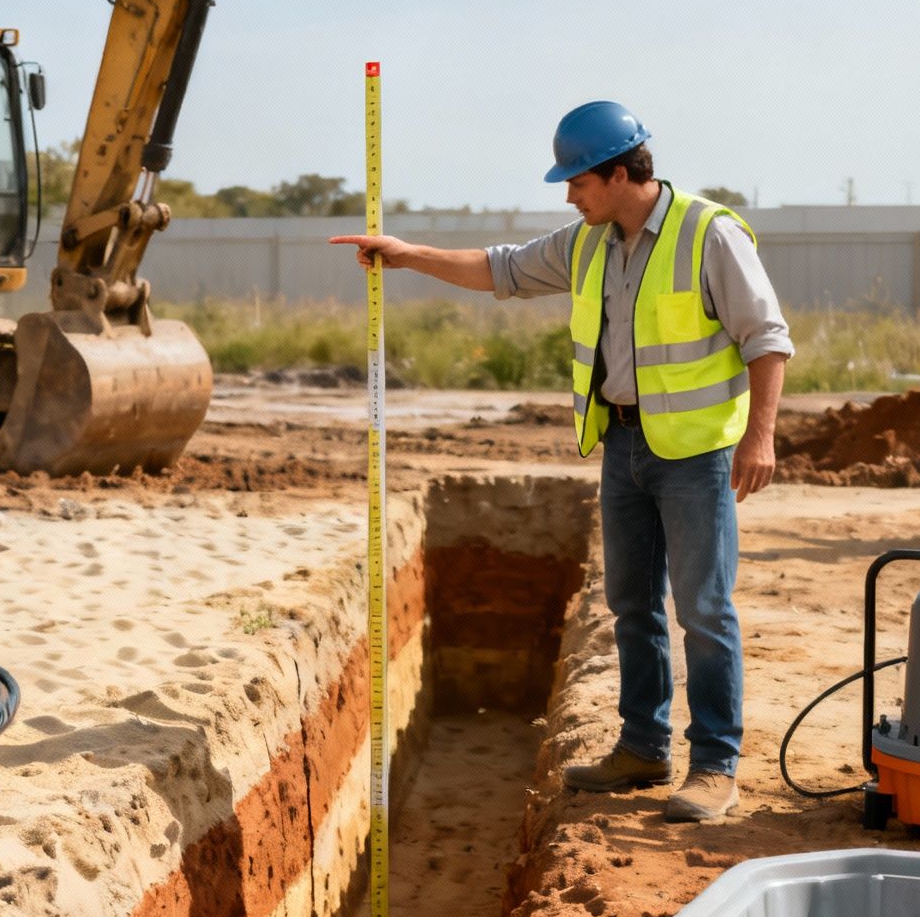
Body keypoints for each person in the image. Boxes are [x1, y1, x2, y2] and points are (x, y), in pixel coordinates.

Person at [330, 102, 792, 822]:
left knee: (702, 608)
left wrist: (759, 437)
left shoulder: (709, 234)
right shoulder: (590, 243)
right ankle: (643, 745)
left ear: (616, 173)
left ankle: (714, 766)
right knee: (630, 604)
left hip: (697, 453)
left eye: (576, 181)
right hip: (623, 444)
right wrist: (406, 253)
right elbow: (499, 270)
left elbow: (767, 338)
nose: (569, 196)